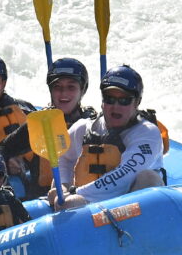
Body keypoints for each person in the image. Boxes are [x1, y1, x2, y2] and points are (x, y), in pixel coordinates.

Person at [49, 64, 169, 210]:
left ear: (137, 102)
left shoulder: (147, 133)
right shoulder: (83, 128)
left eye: (124, 100)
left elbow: (126, 175)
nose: (115, 106)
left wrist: (77, 194)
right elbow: (64, 158)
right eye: (109, 99)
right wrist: (63, 186)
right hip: (87, 205)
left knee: (148, 178)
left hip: (129, 208)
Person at [0, 57, 97, 199]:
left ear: (82, 90)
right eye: (57, 87)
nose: (64, 94)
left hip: (84, 195)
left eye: (71, 87)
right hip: (43, 198)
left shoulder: (93, 124)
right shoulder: (41, 122)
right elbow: (2, 149)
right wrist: (9, 160)